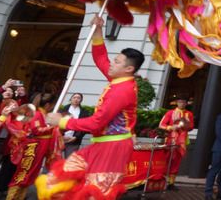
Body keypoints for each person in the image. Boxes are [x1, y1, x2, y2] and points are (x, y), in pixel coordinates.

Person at [37, 14, 144, 200]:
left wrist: (62, 121)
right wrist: (98, 31)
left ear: (129, 69)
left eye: (117, 62)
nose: (112, 63)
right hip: (102, 144)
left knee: (95, 192)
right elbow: (101, 58)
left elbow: (96, 123)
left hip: (113, 147)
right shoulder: (118, 79)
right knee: (64, 176)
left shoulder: (122, 91)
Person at [4, 93, 59, 200]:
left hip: (39, 148)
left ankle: (20, 197)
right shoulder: (37, 114)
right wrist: (53, 126)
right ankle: (11, 197)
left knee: (30, 174)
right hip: (33, 148)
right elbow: (36, 130)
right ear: (48, 104)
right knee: (23, 172)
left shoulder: (44, 114)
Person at [160, 95, 194, 189]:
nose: (181, 104)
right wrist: (170, 127)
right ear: (177, 103)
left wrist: (187, 125)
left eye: (183, 102)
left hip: (182, 141)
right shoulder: (170, 113)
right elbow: (161, 125)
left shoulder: (189, 114)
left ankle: (171, 183)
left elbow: (191, 127)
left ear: (186, 103)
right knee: (166, 160)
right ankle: (161, 181)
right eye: (180, 102)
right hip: (171, 139)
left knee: (177, 162)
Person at [60, 93, 90, 157]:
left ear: (81, 100)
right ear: (71, 99)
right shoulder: (63, 110)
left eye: (78, 98)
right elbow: (57, 123)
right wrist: (61, 136)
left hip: (74, 140)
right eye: (74, 97)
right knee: (55, 160)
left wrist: (76, 137)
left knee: (70, 160)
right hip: (61, 139)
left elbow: (84, 127)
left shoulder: (84, 112)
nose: (76, 99)